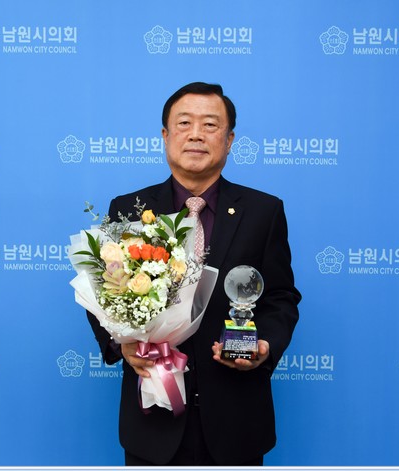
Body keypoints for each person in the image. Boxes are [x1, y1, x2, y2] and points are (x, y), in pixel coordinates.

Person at [87, 82, 301, 466]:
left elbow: (280, 298)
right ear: (165, 136)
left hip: (236, 419)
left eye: (210, 125)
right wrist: (121, 345)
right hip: (154, 418)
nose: (196, 134)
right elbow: (104, 291)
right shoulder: (129, 209)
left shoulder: (263, 212)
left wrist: (265, 346)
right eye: (184, 123)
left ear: (229, 140)